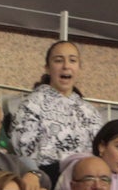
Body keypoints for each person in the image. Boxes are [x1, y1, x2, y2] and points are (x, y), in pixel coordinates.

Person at [11, 42, 102, 180]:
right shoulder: (31, 105)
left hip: (86, 179)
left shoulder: (90, 112)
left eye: (72, 60)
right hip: (46, 177)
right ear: (47, 68)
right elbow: (24, 152)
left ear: (79, 67)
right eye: (59, 60)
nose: (66, 66)